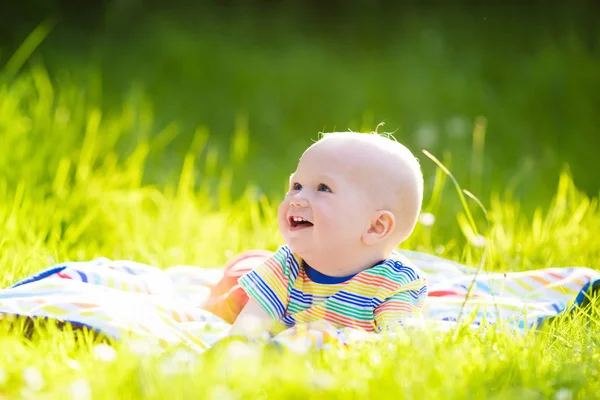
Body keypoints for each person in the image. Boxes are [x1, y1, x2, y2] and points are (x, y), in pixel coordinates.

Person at [219, 131, 427, 339]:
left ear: (375, 227)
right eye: (296, 186)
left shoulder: (393, 284)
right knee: (235, 290)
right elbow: (242, 336)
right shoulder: (285, 267)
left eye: (323, 188)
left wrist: (332, 340)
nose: (297, 198)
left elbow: (401, 345)